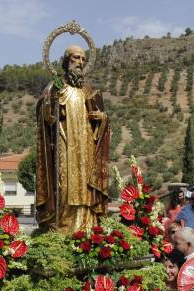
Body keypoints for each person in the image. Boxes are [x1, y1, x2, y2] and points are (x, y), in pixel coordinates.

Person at [35, 44, 110, 233]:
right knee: (65, 184)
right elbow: (45, 117)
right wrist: (51, 104)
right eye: (77, 58)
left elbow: (99, 119)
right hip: (64, 143)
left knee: (85, 186)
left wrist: (102, 119)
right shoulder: (56, 87)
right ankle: (63, 224)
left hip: (86, 147)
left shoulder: (87, 90)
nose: (81, 62)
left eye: (83, 59)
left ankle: (87, 225)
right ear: (67, 60)